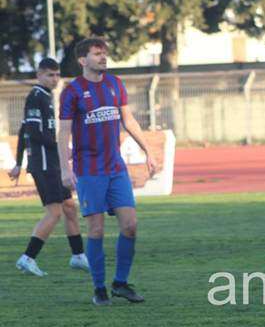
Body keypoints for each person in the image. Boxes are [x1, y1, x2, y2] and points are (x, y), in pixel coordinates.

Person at [58, 38, 158, 306]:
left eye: (104, 53)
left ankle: (120, 284)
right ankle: (99, 288)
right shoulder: (72, 91)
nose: (103, 57)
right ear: (83, 60)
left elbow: (128, 120)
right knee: (96, 230)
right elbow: (63, 132)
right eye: (97, 54)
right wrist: (65, 169)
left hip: (116, 168)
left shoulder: (115, 84)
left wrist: (148, 150)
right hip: (89, 171)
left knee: (130, 226)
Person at [9, 58, 90, 277]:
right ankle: (28, 258)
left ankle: (78, 256)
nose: (54, 79)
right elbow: (32, 132)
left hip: (53, 163)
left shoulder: (46, 96)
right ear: (39, 75)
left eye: (57, 75)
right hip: (44, 164)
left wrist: (18, 163)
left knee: (70, 207)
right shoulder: (36, 96)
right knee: (54, 213)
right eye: (50, 75)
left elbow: (22, 130)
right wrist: (60, 147)